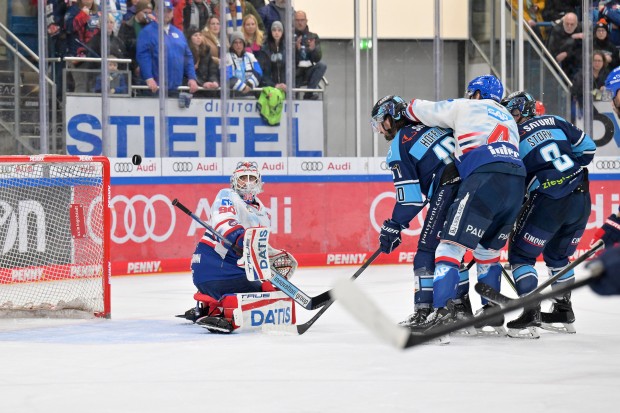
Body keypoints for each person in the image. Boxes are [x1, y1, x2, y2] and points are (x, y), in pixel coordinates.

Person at [401, 75, 526, 334]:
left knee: (449, 247)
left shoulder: (466, 106)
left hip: (483, 177)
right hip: (516, 181)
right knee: (487, 253)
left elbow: (418, 108)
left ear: (478, 93)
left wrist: (405, 107)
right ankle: (491, 312)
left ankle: (441, 311)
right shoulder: (509, 118)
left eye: (472, 92)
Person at [370, 95, 473, 330]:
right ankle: (461, 308)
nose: (381, 129)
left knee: (427, 250)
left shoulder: (399, 144)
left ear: (391, 117)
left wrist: (393, 225)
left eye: (381, 122)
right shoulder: (434, 124)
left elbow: (411, 199)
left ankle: (424, 311)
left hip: (448, 188)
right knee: (454, 249)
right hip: (473, 184)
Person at [500, 91, 596, 338]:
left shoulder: (511, 137)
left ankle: (531, 313)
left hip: (548, 202)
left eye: (513, 112)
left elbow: (514, 182)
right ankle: (564, 310)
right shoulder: (555, 120)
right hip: (580, 197)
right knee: (558, 256)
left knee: (521, 254)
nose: (511, 117)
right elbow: (588, 151)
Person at [184, 161, 291, 332]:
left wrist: (273, 254)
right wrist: (241, 238)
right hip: (213, 267)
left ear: (259, 182)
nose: (247, 182)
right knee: (266, 290)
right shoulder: (227, 195)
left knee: (264, 285)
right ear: (234, 181)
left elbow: (256, 245)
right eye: (243, 178)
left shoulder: (262, 213)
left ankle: (209, 305)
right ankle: (224, 311)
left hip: (226, 270)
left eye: (252, 178)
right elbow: (225, 222)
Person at [136, 0, 199, 96]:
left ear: (172, 13)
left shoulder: (178, 33)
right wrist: (148, 77)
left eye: (168, 11)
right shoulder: (147, 32)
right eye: (163, 10)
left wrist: (192, 77)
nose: (166, 14)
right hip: (155, 88)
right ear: (156, 12)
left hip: (175, 87)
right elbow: (143, 55)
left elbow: (187, 56)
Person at [118, 0, 156, 88]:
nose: (148, 15)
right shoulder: (126, 26)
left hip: (150, 68)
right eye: (145, 12)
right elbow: (123, 48)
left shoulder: (153, 27)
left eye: (150, 12)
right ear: (138, 12)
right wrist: (135, 65)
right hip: (132, 67)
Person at [294, 10, 327, 100]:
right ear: (294, 21)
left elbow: (317, 58)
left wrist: (312, 50)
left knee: (322, 65)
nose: (300, 23)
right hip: (295, 71)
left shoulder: (313, 36)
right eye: (297, 20)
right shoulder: (289, 37)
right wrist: (296, 49)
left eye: (302, 20)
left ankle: (309, 93)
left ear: (306, 21)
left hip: (308, 70)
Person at [546, 12, 583, 80]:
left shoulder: (580, 28)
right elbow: (552, 52)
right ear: (563, 23)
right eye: (567, 24)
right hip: (562, 64)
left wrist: (567, 53)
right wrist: (572, 38)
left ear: (576, 24)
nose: (569, 26)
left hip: (576, 61)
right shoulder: (556, 30)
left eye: (572, 24)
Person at [225, 30, 262, 95]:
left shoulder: (251, 56)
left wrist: (249, 84)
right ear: (232, 44)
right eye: (235, 43)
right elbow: (227, 76)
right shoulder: (226, 57)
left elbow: (258, 72)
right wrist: (243, 87)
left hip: (251, 93)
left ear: (244, 44)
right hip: (233, 96)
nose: (238, 45)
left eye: (240, 42)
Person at [260, 20, 286, 91]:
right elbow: (263, 72)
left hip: (285, 87)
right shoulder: (264, 50)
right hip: (270, 88)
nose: (276, 32)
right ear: (270, 32)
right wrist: (274, 85)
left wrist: (286, 84)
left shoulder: (287, 49)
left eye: (279, 30)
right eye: (274, 30)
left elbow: (290, 70)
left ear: (282, 32)